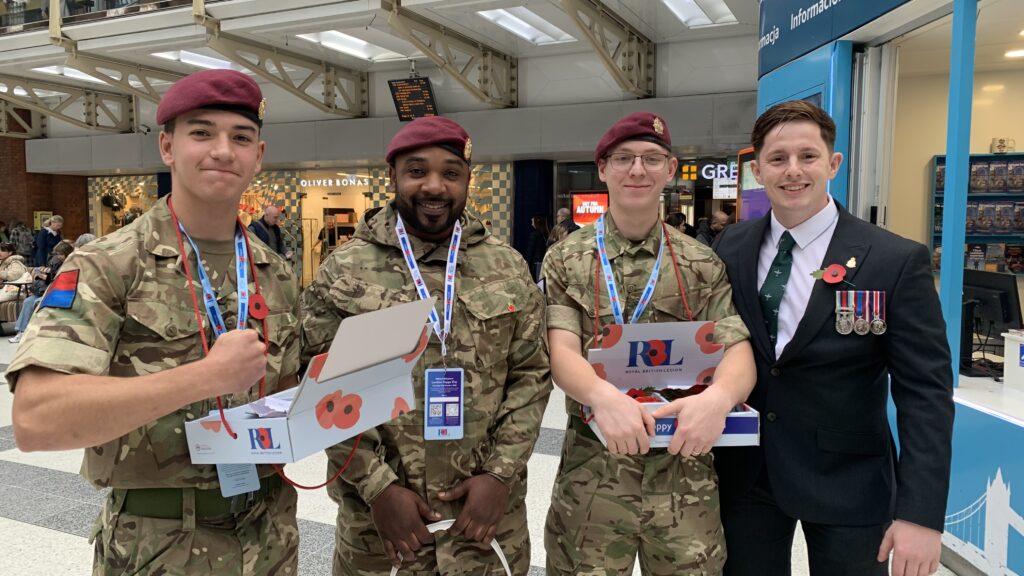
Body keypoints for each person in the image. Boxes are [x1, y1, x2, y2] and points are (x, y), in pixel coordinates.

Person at [7, 69, 303, 575]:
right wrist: (203, 378)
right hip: (159, 546)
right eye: (202, 132)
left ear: (259, 155)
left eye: (241, 137)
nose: (223, 150)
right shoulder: (109, 264)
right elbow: (36, 419)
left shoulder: (273, 271)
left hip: (270, 534)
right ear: (167, 147)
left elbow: (285, 390)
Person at [712, 100, 954, 576]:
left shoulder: (894, 260)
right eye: (778, 159)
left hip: (851, 480)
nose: (793, 171)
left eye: (808, 156)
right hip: (747, 477)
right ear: (757, 169)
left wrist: (920, 515)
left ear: (833, 164)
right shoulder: (731, 246)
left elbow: (925, 392)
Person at [300, 116, 552, 575]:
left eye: (451, 173)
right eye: (417, 171)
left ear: (468, 180)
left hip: (485, 522)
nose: (434, 186)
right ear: (392, 177)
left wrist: (500, 474)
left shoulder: (506, 267)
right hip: (381, 529)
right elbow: (321, 387)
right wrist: (377, 488)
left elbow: (532, 376)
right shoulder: (345, 271)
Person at [542, 111, 756, 575]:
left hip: (684, 477)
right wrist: (601, 396)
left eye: (651, 159)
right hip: (595, 477)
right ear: (602, 169)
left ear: (670, 168)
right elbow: (561, 351)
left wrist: (720, 398)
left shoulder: (701, 262)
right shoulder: (567, 259)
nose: (637, 170)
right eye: (623, 158)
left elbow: (737, 347)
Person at [8, 241, 74, 343]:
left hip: (58, 292)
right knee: (28, 301)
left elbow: (62, 280)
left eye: (61, 254)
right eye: (58, 254)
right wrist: (43, 276)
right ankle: (21, 332)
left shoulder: (71, 264)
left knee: (37, 302)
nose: (59, 257)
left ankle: (36, 332)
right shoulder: (56, 262)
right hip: (47, 290)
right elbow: (52, 276)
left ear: (68, 253)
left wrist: (46, 277)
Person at [525, 214, 550, 281]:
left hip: (536, 264)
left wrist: (527, 264)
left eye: (533, 219)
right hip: (543, 262)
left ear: (537, 221)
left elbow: (530, 251)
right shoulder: (546, 234)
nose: (531, 220)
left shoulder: (534, 235)